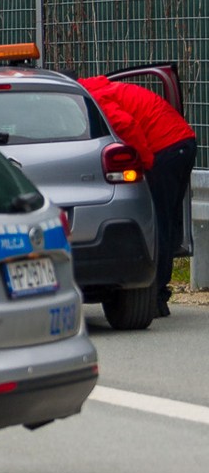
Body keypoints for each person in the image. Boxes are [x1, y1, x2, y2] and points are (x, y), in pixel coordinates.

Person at [80, 76, 197, 317]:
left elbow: (126, 125)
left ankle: (155, 297)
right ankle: (159, 295)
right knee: (167, 221)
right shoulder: (103, 88)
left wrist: (145, 162)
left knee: (159, 225)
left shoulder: (95, 98)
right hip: (181, 142)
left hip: (165, 149)